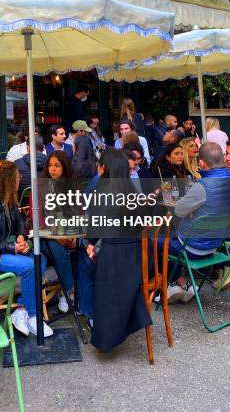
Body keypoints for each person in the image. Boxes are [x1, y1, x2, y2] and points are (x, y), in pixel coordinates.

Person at [83, 149, 152, 351]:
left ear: (104, 168)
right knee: (94, 258)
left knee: (88, 266)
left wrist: (89, 243)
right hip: (142, 261)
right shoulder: (134, 193)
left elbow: (94, 229)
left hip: (116, 263)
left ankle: (94, 318)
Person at [0, 160, 52, 337]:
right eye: (17, 177)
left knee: (39, 258)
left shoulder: (9, 200)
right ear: (8, 180)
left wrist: (21, 238)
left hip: (9, 247)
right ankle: (34, 315)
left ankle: (22, 309)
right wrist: (14, 248)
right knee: (29, 267)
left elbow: (19, 222)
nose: (20, 179)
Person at [166, 142, 230, 303]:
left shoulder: (202, 187)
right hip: (216, 244)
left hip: (193, 246)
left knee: (156, 241)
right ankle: (181, 283)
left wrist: (193, 211)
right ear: (223, 158)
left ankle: (172, 283)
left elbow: (178, 210)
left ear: (202, 163)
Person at [37, 151, 78, 313]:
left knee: (85, 247)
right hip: (44, 234)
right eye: (50, 165)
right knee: (58, 249)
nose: (53, 169)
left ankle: (84, 295)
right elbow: (38, 219)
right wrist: (58, 237)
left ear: (64, 167)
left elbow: (78, 212)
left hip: (67, 230)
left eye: (57, 165)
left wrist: (74, 235)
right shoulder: (41, 185)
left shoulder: (71, 184)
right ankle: (68, 291)